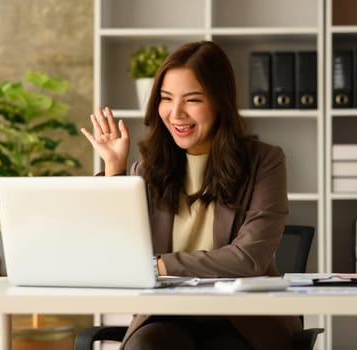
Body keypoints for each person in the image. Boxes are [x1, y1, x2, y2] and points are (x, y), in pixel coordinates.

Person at [81, 40, 303, 350]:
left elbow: (248, 259)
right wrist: (115, 169)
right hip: (167, 315)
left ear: (219, 102)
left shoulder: (264, 161)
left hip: (241, 319)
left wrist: (160, 265)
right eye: (166, 98)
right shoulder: (147, 169)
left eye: (193, 99)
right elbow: (117, 253)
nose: (176, 113)